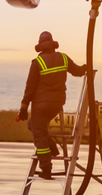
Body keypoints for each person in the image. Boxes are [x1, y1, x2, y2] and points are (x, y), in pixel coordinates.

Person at [18, 30, 89, 179]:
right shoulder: (63, 57)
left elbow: (29, 88)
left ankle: (46, 169)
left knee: (39, 135)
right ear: (53, 44)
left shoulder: (37, 62)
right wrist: (87, 67)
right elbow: (77, 71)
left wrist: (24, 107)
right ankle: (53, 149)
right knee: (33, 124)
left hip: (41, 105)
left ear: (40, 47)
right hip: (57, 103)